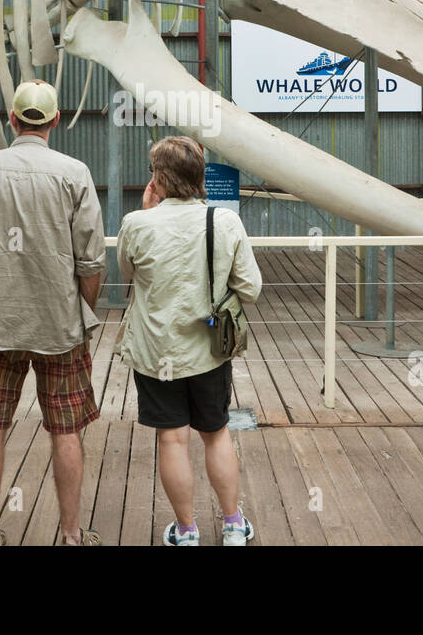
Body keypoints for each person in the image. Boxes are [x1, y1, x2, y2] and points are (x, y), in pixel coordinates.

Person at [0, 80, 106, 546]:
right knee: (66, 427)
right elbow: (92, 263)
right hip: (59, 324)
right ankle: (72, 535)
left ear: (12, 119)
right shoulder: (75, 173)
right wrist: (81, 314)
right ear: (56, 121)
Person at [117, 136, 263, 546]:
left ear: (159, 179)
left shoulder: (136, 223)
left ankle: (186, 531)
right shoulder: (225, 222)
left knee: (172, 438)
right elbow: (251, 288)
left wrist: (148, 214)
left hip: (155, 352)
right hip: (209, 352)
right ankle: (233, 525)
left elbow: (128, 271)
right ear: (199, 178)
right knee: (216, 433)